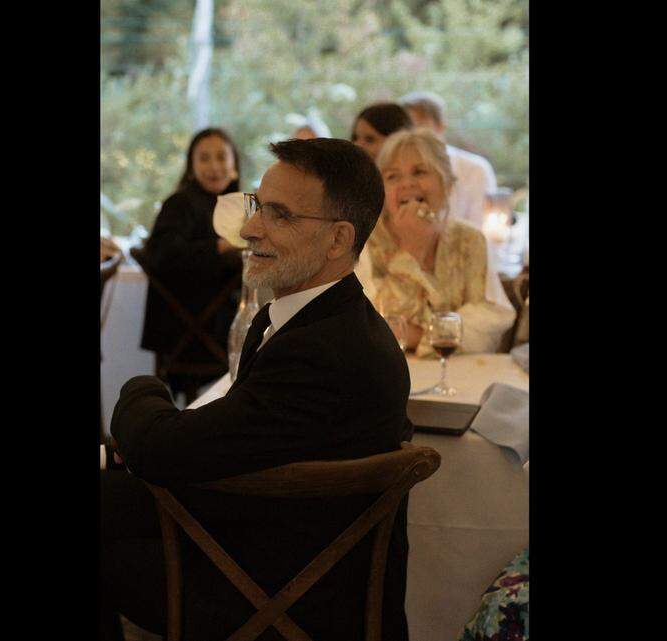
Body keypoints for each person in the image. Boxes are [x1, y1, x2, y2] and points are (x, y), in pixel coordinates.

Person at [102, 138, 414, 641]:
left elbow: (160, 450)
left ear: (338, 240)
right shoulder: (315, 317)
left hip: (283, 595)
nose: (249, 229)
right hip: (273, 545)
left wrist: (142, 387)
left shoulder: (321, 349)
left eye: (280, 215)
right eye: (257, 206)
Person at [357, 128, 515, 355]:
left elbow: (491, 320)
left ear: (447, 182)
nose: (407, 184)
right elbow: (373, 326)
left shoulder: (469, 239)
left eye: (419, 172)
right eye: (393, 176)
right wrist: (411, 251)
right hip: (385, 371)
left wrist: (422, 336)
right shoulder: (363, 241)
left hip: (460, 372)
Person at [138, 128, 245, 400]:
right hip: (190, 330)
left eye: (222, 157)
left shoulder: (235, 205)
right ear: (191, 166)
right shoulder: (180, 204)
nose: (214, 167)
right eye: (204, 158)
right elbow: (164, 255)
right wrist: (221, 246)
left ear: (234, 163)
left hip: (215, 322)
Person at [400, 91, 498, 229]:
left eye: (420, 128)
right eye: (406, 129)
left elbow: (482, 227)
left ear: (440, 126)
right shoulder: (396, 171)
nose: (413, 136)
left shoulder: (475, 169)